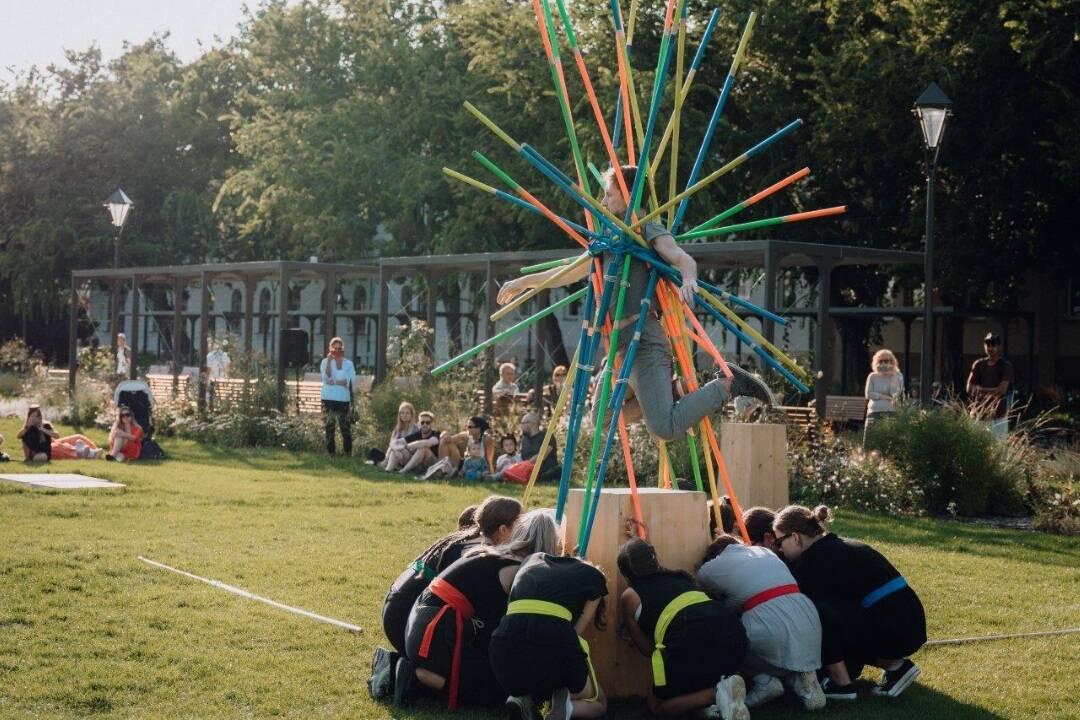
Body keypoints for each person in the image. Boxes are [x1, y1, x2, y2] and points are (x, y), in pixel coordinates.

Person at [497, 165, 772, 443]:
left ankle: (728, 385)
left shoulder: (646, 229)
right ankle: (674, 391)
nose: (603, 202)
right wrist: (523, 283)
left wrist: (689, 280)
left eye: (609, 194)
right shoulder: (608, 238)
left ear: (628, 195)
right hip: (616, 344)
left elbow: (681, 258)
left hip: (644, 344)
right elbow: (570, 270)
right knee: (601, 419)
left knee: (664, 428)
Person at [399, 509, 560, 711]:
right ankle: (417, 676)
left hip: (421, 622)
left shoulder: (492, 552)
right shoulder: (517, 571)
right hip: (434, 631)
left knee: (488, 672)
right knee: (491, 689)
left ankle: (419, 674)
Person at [773, 505, 926, 701]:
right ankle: (895, 666)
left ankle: (841, 684)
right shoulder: (840, 545)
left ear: (795, 537)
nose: (779, 549)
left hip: (895, 629)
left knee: (814, 611)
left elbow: (800, 604)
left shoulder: (813, 559)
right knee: (833, 610)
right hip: (910, 621)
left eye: (779, 542)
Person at [617, 537, 749, 719]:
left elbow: (647, 650)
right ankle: (718, 697)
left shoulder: (630, 595)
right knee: (692, 683)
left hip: (688, 634)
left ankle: (716, 695)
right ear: (655, 559)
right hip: (731, 628)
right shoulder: (682, 577)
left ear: (625, 573)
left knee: (657, 706)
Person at [697, 534, 825, 711]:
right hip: (807, 616)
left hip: (769, 623)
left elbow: (721, 605)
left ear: (713, 555)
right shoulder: (765, 552)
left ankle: (764, 681)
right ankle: (801, 676)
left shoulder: (709, 569)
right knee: (782, 643)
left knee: (726, 638)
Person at [381, 496, 521, 656]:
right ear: (503, 529)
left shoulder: (469, 537)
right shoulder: (479, 550)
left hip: (396, 601)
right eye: (520, 525)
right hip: (404, 614)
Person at [490, 552, 609, 720]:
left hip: (502, 644)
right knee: (599, 703)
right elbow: (574, 633)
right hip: (554, 642)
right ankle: (563, 709)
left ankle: (524, 697)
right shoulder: (595, 577)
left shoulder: (531, 559)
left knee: (537, 675)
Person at [966, 332, 1015, 441]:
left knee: (998, 447)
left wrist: (980, 389)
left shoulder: (1005, 366)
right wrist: (992, 390)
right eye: (988, 345)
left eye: (993, 345)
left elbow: (1001, 391)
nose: (990, 348)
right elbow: (969, 388)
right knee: (976, 445)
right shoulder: (978, 364)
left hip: (998, 416)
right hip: (979, 414)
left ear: (998, 346)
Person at [425, 416, 495, 480]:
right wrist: (444, 434)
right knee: (445, 441)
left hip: (478, 467)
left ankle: (447, 473)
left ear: (479, 429)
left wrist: (490, 475)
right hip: (465, 464)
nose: (467, 428)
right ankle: (441, 469)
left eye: (470, 427)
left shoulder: (487, 440)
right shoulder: (467, 435)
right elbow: (448, 439)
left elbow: (488, 460)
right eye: (467, 426)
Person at [320, 336, 356, 456]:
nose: (336, 351)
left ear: (343, 350)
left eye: (339, 349)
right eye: (334, 349)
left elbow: (350, 381)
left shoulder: (348, 364)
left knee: (345, 427)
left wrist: (336, 381)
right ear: (330, 349)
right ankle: (331, 453)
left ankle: (348, 453)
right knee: (329, 427)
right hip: (328, 398)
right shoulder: (325, 362)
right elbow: (326, 379)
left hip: (342, 400)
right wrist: (330, 362)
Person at [501, 412, 560, 485]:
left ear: (533, 423)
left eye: (523, 423)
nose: (521, 426)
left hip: (545, 471)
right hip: (528, 471)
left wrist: (523, 466)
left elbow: (542, 455)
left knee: (556, 471)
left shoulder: (546, 436)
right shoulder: (525, 439)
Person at [864, 349, 903, 444]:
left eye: (886, 361)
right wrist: (885, 397)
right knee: (870, 441)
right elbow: (868, 394)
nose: (883, 364)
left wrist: (892, 376)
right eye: (880, 361)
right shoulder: (872, 376)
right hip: (874, 411)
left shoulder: (898, 376)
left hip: (891, 411)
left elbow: (895, 395)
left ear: (892, 361)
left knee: (890, 441)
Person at [383, 401, 419, 472]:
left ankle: (387, 467)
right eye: (402, 413)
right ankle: (388, 469)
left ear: (411, 415)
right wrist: (396, 450)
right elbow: (392, 443)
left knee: (397, 449)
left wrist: (398, 449)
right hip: (397, 454)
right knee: (393, 450)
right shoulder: (398, 428)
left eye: (407, 413)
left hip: (410, 457)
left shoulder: (415, 429)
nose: (404, 415)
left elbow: (413, 448)